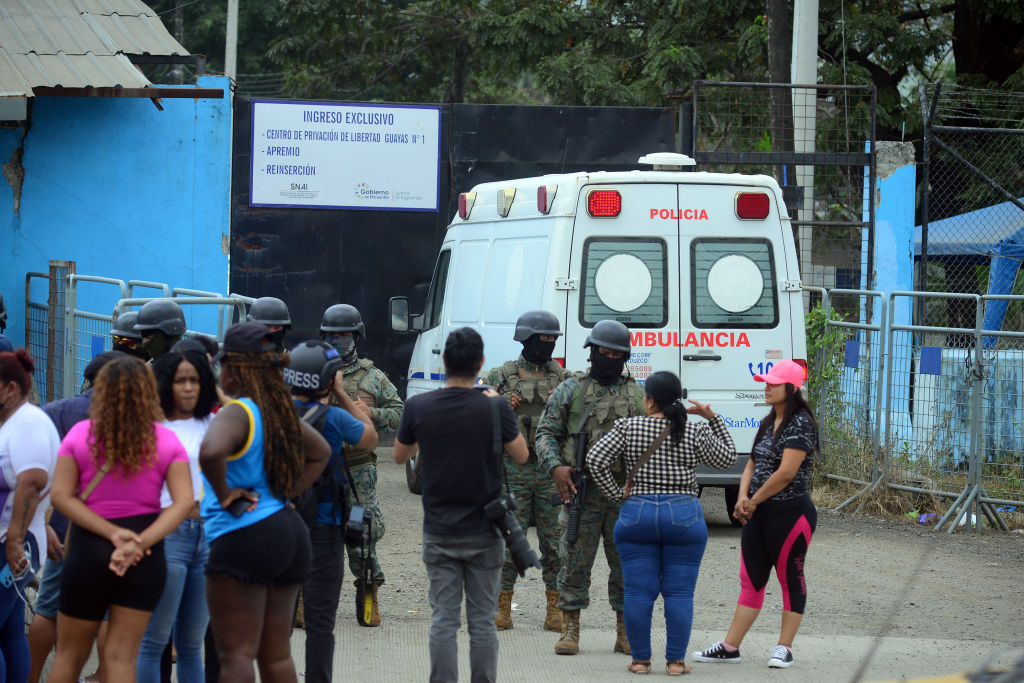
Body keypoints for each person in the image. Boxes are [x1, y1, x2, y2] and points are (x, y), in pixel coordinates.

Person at [393, 327, 529, 683]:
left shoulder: (418, 406)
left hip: (440, 530)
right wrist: (498, 406)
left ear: (443, 361)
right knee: (482, 621)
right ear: (481, 363)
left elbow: (398, 456)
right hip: (486, 530)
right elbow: (521, 454)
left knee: (444, 620)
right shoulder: (495, 406)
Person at [48, 355, 194, 683]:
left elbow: (60, 496)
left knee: (70, 655)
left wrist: (113, 534)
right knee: (121, 657)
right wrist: (138, 541)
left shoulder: (79, 435)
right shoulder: (168, 440)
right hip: (145, 554)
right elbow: (183, 502)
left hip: (89, 548)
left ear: (102, 391)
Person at [199, 322, 330, 683]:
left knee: (236, 654)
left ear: (234, 371)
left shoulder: (239, 412)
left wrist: (224, 493)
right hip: (290, 535)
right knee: (276, 657)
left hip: (244, 536)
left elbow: (210, 452)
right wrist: (285, 492)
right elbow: (321, 452)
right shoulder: (279, 412)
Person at [586, 371, 737, 675]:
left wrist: (616, 493)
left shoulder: (628, 427)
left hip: (637, 514)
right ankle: (676, 662)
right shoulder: (694, 431)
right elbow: (728, 459)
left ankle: (640, 660)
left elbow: (594, 460)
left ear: (651, 400)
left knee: (638, 593)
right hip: (683, 516)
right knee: (680, 594)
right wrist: (713, 418)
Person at [693, 359, 818, 670]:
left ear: (791, 388)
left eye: (773, 383)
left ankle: (784, 648)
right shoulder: (767, 421)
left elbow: (786, 473)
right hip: (759, 514)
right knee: (751, 580)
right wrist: (744, 496)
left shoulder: (801, 423)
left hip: (790, 515)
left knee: (790, 579)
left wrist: (752, 501)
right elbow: (751, 464)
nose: (766, 387)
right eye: (766, 382)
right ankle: (730, 646)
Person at [535, 319, 646, 656]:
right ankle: (570, 630)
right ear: (592, 351)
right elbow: (545, 435)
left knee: (627, 563)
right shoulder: (571, 390)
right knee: (573, 561)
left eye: (616, 354)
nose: (609, 358)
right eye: (603, 352)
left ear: (625, 357)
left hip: (624, 493)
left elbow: (654, 436)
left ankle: (625, 632)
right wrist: (556, 468)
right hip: (581, 491)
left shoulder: (636, 393)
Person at [28, 351, 124, 683]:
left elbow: (33, 474)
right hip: (116, 533)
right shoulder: (132, 420)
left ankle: (29, 675)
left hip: (61, 531)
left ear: (88, 379)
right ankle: (101, 675)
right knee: (110, 616)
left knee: (48, 610)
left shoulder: (52, 413)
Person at [285, 340, 377, 683]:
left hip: (280, 523)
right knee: (321, 623)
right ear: (327, 380)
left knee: (277, 619)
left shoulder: (272, 414)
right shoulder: (335, 418)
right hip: (325, 528)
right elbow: (370, 437)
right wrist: (340, 394)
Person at [135, 348, 221, 682]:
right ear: (165, 384)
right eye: (179, 380)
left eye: (195, 380)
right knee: (154, 641)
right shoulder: (153, 428)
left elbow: (251, 420)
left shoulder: (215, 424)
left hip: (208, 538)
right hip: (169, 536)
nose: (188, 387)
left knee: (190, 643)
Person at [482, 310, 569, 632]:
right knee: (507, 541)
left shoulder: (564, 380)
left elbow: (574, 423)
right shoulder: (499, 377)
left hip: (549, 473)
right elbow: (476, 417)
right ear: (526, 340)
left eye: (552, 339)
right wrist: (502, 405)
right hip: (511, 472)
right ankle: (501, 608)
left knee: (555, 543)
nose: (547, 345)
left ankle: (555, 610)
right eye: (542, 339)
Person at [320, 303, 403, 626]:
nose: (339, 340)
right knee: (314, 533)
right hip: (320, 469)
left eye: (346, 335)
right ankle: (302, 602)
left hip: (358, 470)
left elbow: (399, 412)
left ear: (357, 337)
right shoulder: (314, 369)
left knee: (362, 532)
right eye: (333, 335)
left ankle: (369, 596)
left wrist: (373, 414)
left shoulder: (373, 377)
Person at [0, 349, 59, 682]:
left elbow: (33, 482)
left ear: (10, 389)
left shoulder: (27, 424)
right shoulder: (14, 422)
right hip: (16, 543)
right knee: (9, 631)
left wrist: (15, 541)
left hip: (12, 550)